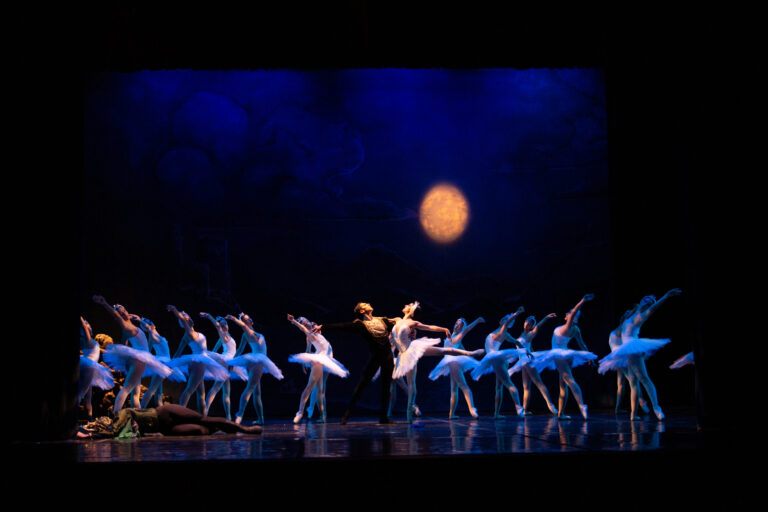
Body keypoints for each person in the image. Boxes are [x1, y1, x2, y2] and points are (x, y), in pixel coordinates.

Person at [390, 302, 484, 423]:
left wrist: (443, 329)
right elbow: (385, 322)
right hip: (403, 355)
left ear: (410, 311)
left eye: (408, 305)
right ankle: (411, 412)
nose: (405, 305)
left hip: (411, 349)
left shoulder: (413, 323)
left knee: (442, 351)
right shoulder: (397, 320)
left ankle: (470, 353)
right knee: (410, 383)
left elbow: (429, 327)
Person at [598, 289, 681, 420]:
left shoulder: (643, 315)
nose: (647, 301)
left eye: (650, 301)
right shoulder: (632, 314)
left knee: (644, 379)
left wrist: (665, 296)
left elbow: (654, 308)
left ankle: (656, 407)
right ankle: (633, 414)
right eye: (646, 298)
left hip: (634, 347)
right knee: (633, 383)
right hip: (626, 350)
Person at [315, 302, 398, 424]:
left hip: (388, 357)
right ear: (362, 311)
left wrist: (408, 317)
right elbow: (343, 326)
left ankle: (383, 418)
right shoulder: (361, 325)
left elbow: (400, 325)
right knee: (362, 385)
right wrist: (323, 326)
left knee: (386, 387)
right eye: (365, 304)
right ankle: (346, 415)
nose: (368, 304)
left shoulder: (383, 320)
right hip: (376, 358)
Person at [92, 295, 172, 413]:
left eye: (124, 311)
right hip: (139, 359)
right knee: (127, 389)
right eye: (121, 313)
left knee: (135, 392)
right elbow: (117, 317)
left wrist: (137, 318)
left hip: (135, 359)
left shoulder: (129, 326)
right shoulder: (126, 326)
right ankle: (116, 416)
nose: (124, 313)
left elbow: (125, 343)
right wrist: (104, 303)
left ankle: (137, 417)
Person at [531, 294, 596, 420]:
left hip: (559, 354)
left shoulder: (568, 327)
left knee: (569, 380)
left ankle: (582, 405)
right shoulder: (576, 329)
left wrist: (582, 300)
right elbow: (582, 344)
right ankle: (561, 413)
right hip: (567, 355)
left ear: (571, 317)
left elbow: (575, 311)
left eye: (571, 313)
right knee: (563, 384)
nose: (568, 313)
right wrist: (590, 357)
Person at [287, 314, 349, 424]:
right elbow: (305, 338)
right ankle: (300, 412)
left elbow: (319, 338)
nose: (304, 321)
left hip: (328, 360)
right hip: (320, 359)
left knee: (321, 390)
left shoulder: (316, 330)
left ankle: (323, 416)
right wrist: (294, 322)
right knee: (310, 386)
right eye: (302, 321)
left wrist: (318, 326)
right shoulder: (309, 333)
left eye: (304, 319)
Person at [167, 305, 229, 412]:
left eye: (188, 316)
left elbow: (177, 353)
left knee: (201, 394)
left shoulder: (191, 334)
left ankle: (203, 418)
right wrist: (175, 310)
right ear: (184, 322)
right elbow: (178, 352)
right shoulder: (189, 333)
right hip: (199, 362)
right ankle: (179, 415)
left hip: (200, 361)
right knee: (189, 390)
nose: (188, 317)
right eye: (186, 317)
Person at [226, 313, 284, 425]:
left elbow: (240, 349)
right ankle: (239, 415)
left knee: (257, 392)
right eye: (246, 319)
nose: (249, 318)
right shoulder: (247, 332)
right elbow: (243, 329)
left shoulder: (254, 333)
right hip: (256, 361)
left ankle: (260, 419)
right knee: (250, 388)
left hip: (258, 361)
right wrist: (233, 318)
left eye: (248, 317)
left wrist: (232, 361)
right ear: (244, 322)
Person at [76, 404, 262, 438]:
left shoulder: (121, 413)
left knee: (204, 419)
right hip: (164, 429)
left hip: (165, 413)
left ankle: (243, 429)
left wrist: (90, 434)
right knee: (200, 431)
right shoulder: (122, 423)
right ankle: (219, 429)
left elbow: (112, 430)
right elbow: (116, 431)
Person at [471, 307, 528, 419]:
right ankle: (497, 413)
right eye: (505, 318)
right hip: (496, 359)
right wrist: (526, 352)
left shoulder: (503, 331)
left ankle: (519, 410)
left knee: (508, 384)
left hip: (497, 359)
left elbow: (516, 340)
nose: (506, 319)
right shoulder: (502, 333)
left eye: (508, 319)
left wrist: (517, 313)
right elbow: (517, 342)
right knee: (498, 387)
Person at [429, 316, 485, 419]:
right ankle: (451, 414)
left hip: (453, 362)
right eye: (456, 323)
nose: (457, 325)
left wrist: (476, 321)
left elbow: (467, 330)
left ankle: (472, 410)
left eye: (460, 325)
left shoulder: (459, 335)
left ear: (461, 328)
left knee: (463, 387)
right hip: (451, 362)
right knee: (454, 389)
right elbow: (462, 350)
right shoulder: (451, 335)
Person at [599, 308, 651, 417]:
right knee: (633, 381)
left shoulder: (622, 330)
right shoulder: (621, 329)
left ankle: (618, 408)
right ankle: (641, 402)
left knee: (621, 383)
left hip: (618, 357)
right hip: (620, 357)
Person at [128, 315, 186, 408]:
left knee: (158, 390)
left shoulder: (155, 336)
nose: (151, 323)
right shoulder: (152, 335)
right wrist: (140, 320)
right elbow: (148, 348)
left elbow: (148, 350)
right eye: (148, 323)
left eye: (150, 321)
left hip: (162, 362)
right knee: (153, 389)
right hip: (162, 362)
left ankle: (159, 408)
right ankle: (142, 410)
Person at [507, 313, 559, 416]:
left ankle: (551, 406)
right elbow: (529, 348)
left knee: (538, 383)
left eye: (530, 324)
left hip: (527, 361)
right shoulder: (522, 334)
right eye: (527, 322)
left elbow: (538, 326)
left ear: (532, 326)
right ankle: (525, 409)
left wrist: (546, 317)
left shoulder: (530, 334)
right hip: (523, 361)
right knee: (526, 386)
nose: (527, 324)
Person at [200, 312, 248, 420]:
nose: (224, 325)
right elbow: (217, 327)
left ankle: (228, 417)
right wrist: (209, 316)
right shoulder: (224, 336)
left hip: (229, 361)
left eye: (225, 323)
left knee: (226, 391)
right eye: (222, 325)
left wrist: (239, 318)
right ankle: (205, 413)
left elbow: (215, 350)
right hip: (226, 361)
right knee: (216, 388)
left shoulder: (228, 337)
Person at [78, 316, 115, 418]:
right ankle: (69, 421)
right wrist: (80, 319)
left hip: (89, 367)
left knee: (88, 397)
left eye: (88, 323)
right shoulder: (87, 339)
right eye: (86, 324)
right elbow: (84, 328)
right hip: (89, 367)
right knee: (80, 395)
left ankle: (89, 420)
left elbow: (96, 352)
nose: (88, 325)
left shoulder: (87, 341)